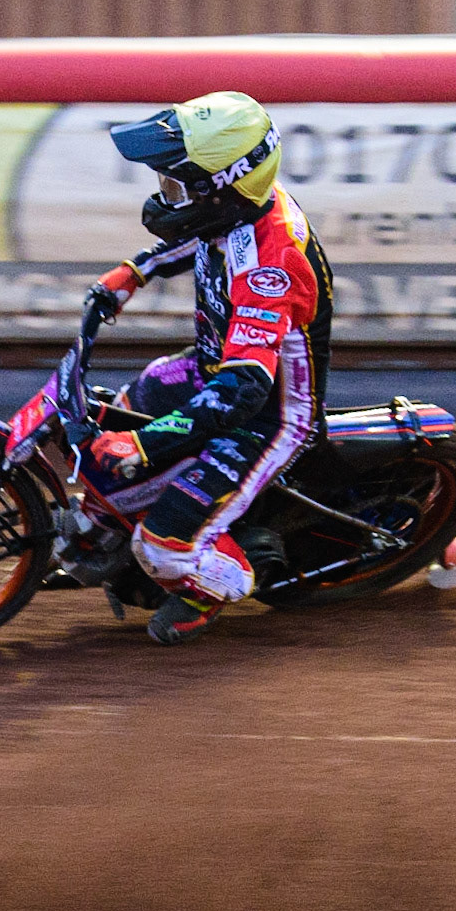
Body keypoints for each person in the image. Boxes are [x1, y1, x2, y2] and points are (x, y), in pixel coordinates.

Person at [80, 90, 334, 645]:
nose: (163, 197)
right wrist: (136, 272)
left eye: (175, 185)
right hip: (209, 367)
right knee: (120, 410)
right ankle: (102, 528)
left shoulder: (273, 263)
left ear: (219, 189)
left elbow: (242, 391)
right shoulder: (239, 205)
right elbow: (198, 239)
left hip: (266, 415)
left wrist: (146, 445)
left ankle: (213, 587)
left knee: (159, 545)